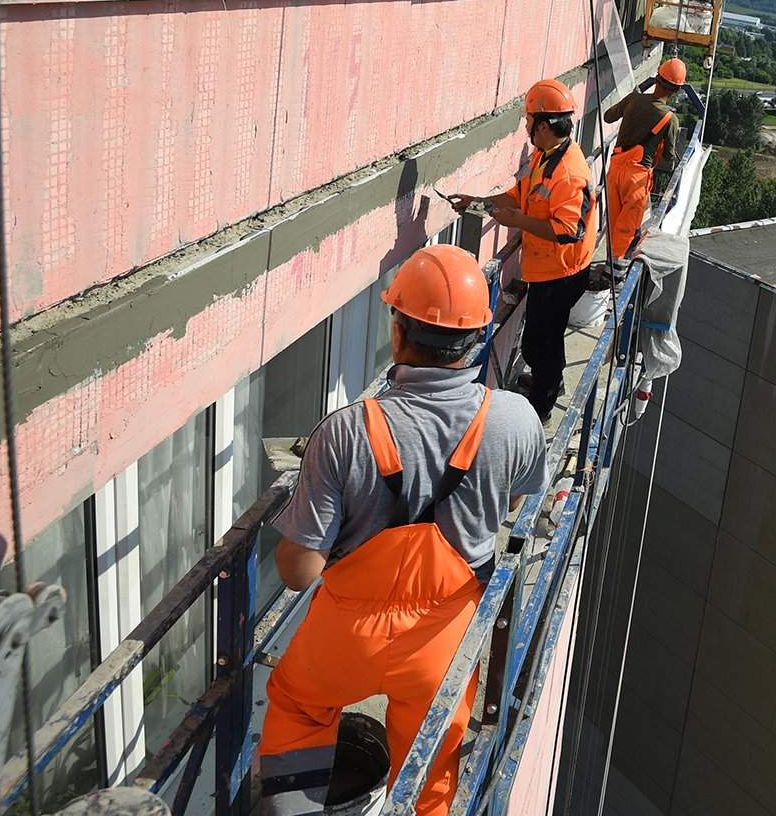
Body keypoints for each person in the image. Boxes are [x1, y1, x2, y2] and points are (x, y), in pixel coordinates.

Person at [257, 244, 547, 816]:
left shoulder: (344, 432)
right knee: (431, 766)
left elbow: (297, 573)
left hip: (346, 636)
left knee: (299, 707)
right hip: (445, 638)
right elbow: (514, 497)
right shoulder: (515, 418)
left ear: (398, 333)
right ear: (479, 334)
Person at [451, 79, 597, 421]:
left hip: (563, 273)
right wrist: (480, 202)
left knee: (539, 343)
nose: (526, 126)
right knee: (545, 338)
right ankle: (550, 381)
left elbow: (568, 231)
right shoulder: (545, 155)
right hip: (549, 270)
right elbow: (520, 194)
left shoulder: (569, 174)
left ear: (544, 125)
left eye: (529, 119)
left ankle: (541, 408)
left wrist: (517, 221)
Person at [603, 58, 695, 269]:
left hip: (615, 168)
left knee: (613, 221)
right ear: (677, 90)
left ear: (657, 78)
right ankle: (615, 273)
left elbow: (609, 117)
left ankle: (609, 264)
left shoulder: (634, 99)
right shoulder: (670, 119)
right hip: (637, 176)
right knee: (627, 228)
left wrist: (634, 101)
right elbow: (669, 158)